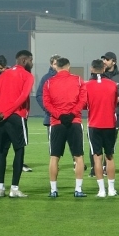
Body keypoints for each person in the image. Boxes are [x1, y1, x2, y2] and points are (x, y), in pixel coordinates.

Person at [0, 50, 34, 198]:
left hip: (1, 118)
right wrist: (8, 112)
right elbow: (23, 96)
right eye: (30, 60)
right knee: (19, 150)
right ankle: (14, 188)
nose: (32, 63)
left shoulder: (3, 75)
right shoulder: (27, 76)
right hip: (16, 116)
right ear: (24, 61)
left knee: (2, 152)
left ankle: (0, 188)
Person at [42, 57, 88, 197]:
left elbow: (46, 103)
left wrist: (59, 115)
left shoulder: (48, 82)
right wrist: (72, 113)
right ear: (68, 66)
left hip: (57, 123)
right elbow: (83, 100)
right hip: (74, 121)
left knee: (54, 157)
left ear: (56, 67)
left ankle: (53, 190)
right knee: (78, 156)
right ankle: (78, 190)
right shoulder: (78, 80)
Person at [84, 59, 119, 197]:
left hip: (94, 124)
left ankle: (101, 190)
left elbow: (84, 104)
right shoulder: (113, 84)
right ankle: (111, 189)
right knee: (110, 157)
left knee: (97, 157)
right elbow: (115, 102)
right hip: (110, 124)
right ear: (104, 69)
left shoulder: (87, 85)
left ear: (92, 69)